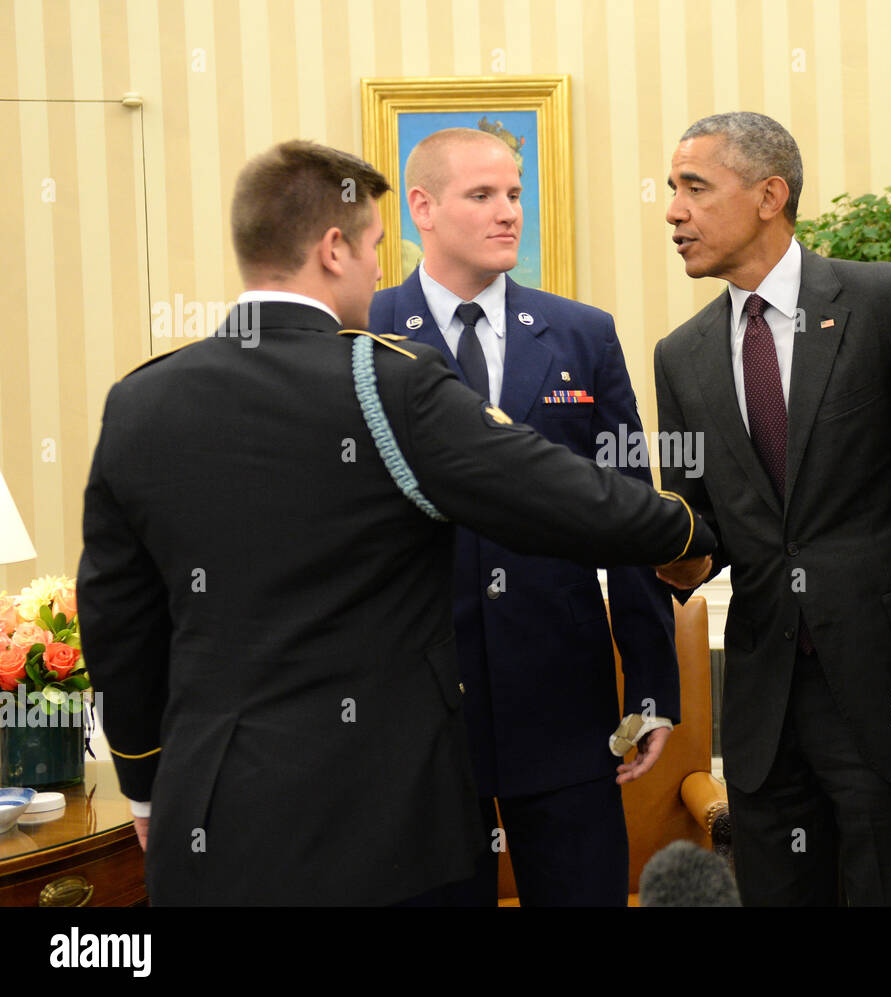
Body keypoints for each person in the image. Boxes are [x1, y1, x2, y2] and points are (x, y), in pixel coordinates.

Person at [76, 139, 714, 906]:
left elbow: (117, 623)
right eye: (376, 246)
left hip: (210, 812)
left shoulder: (138, 400)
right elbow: (568, 496)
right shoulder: (386, 381)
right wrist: (690, 536)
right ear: (333, 247)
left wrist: (145, 785)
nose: (382, 268)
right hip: (386, 809)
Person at [654, 111, 891, 906]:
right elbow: (701, 540)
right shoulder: (680, 355)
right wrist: (646, 538)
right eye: (671, 191)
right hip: (765, 716)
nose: (672, 211)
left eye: (694, 188)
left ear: (770, 194)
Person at [367, 128, 679, 907]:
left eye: (515, 194)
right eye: (483, 196)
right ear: (422, 208)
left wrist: (651, 685)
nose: (509, 213)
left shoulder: (583, 332)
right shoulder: (363, 333)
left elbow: (630, 515)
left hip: (564, 702)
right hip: (419, 711)